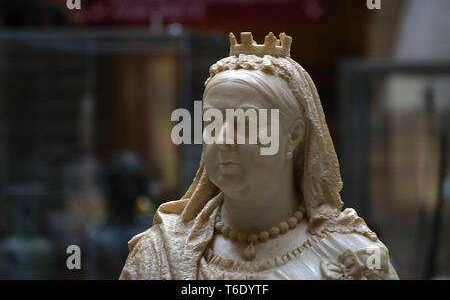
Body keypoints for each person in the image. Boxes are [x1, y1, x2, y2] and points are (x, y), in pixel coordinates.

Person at [119, 32, 399, 280]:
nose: (224, 139)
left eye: (247, 122)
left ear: (294, 135)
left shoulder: (354, 261)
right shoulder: (156, 258)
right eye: (211, 122)